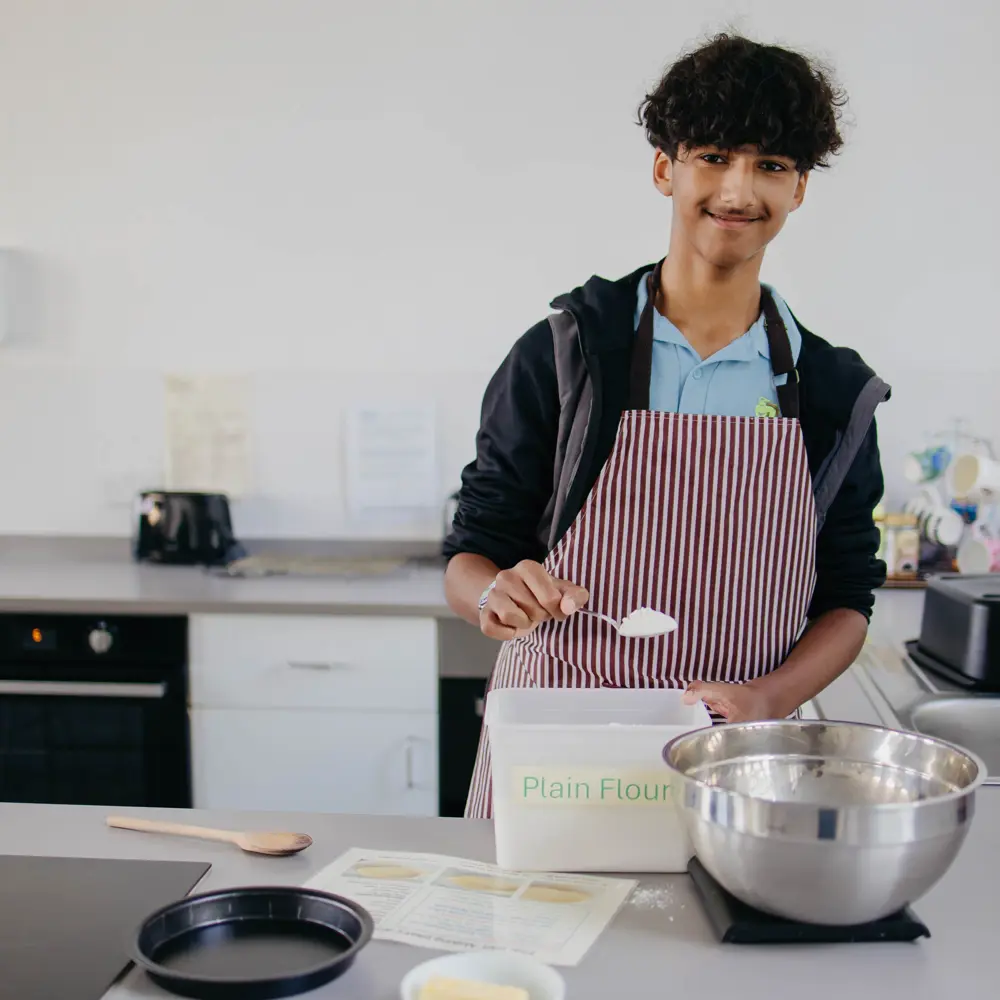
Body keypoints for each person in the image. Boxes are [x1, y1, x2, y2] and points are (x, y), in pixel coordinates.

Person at [442, 33, 890, 819]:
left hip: (736, 757)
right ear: (665, 169)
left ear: (800, 190)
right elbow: (471, 551)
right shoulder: (568, 352)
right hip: (561, 751)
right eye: (714, 156)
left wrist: (768, 698)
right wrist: (496, 596)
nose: (739, 190)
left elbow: (849, 595)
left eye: (772, 166)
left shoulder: (831, 389)